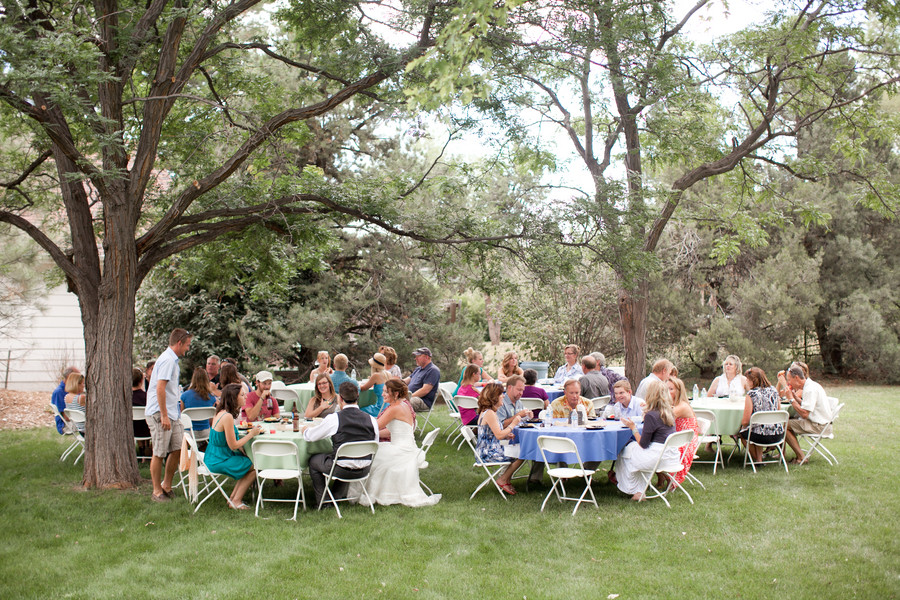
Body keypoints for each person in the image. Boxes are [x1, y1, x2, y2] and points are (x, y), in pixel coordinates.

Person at [349, 379, 441, 507]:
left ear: (396, 394)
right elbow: (386, 427)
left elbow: (374, 426)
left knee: (371, 458)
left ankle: (370, 493)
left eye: (386, 392)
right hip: (409, 447)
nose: (383, 395)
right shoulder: (404, 404)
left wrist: (354, 425)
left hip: (402, 451)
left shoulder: (394, 408)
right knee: (376, 453)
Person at [303, 382, 379, 507]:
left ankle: (324, 501)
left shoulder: (335, 418)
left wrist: (304, 430)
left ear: (340, 399)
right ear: (357, 396)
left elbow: (311, 437)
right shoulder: (371, 420)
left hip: (341, 468)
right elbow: (375, 444)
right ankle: (335, 497)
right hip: (364, 468)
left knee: (314, 460)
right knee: (342, 457)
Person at [145, 328, 191, 502]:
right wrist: (164, 415)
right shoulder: (167, 360)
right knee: (159, 451)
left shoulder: (172, 360)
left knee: (178, 447)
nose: (188, 348)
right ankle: (156, 491)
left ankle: (167, 485)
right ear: (179, 343)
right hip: (159, 413)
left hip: (172, 413)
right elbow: (160, 387)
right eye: (187, 345)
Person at [613, 380, 680, 501]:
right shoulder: (669, 412)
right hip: (671, 456)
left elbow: (643, 444)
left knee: (625, 450)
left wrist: (633, 428)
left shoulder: (651, 415)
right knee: (631, 450)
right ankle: (639, 490)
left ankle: (634, 489)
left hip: (656, 457)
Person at [205, 383, 261, 510]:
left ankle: (233, 498)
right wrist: (251, 434)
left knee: (248, 462)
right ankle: (236, 500)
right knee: (255, 466)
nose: (246, 397)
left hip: (214, 455)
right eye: (242, 395)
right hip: (219, 459)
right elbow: (233, 445)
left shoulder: (220, 412)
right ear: (233, 398)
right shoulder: (227, 417)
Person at [780, 364, 836, 464]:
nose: (788, 382)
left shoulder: (809, 389)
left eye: (789, 379)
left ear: (796, 378)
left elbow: (805, 414)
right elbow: (809, 406)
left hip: (819, 426)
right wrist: (796, 398)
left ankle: (801, 457)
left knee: (783, 425)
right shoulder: (811, 385)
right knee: (788, 423)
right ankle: (798, 455)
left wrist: (791, 399)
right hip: (822, 423)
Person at [475, 382, 524, 495]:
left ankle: (505, 479)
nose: (503, 396)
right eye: (501, 394)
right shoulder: (490, 413)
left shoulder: (488, 412)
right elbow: (499, 435)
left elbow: (492, 433)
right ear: (494, 397)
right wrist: (514, 423)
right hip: (488, 453)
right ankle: (503, 479)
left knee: (521, 450)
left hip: (487, 450)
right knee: (523, 453)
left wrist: (507, 434)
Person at [739, 367, 784, 464]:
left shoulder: (751, 394)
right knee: (758, 427)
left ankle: (758, 459)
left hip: (759, 436)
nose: (746, 382)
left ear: (753, 381)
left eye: (747, 379)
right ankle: (759, 459)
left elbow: (745, 421)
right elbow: (778, 411)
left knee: (743, 432)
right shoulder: (774, 391)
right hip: (778, 435)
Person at [668, 377, 700, 486]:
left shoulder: (681, 406)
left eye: (671, 389)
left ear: (678, 391)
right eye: (666, 389)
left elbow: (665, 419)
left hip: (685, 443)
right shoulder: (673, 404)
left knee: (657, 449)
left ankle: (667, 479)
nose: (667, 392)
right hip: (677, 439)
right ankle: (663, 479)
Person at [180, 367, 217, 434]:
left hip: (189, 433)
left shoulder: (184, 396)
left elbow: (182, 417)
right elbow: (211, 421)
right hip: (206, 432)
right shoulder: (212, 398)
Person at [405, 347, 441, 413]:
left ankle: (406, 422)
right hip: (409, 396)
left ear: (426, 357)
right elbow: (405, 381)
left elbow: (425, 390)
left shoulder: (433, 370)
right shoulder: (418, 369)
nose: (415, 358)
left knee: (403, 404)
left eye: (418, 356)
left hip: (422, 400)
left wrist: (408, 397)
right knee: (391, 400)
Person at [360, 352, 391, 418]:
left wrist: (356, 384)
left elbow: (363, 388)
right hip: (389, 408)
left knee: (360, 410)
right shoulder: (388, 374)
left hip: (380, 409)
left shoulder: (376, 375)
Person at [52, 366, 80, 434]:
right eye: (77, 377)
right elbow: (66, 417)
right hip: (66, 425)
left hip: (76, 419)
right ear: (69, 377)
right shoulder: (59, 392)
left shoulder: (73, 388)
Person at [132, 367, 151, 457]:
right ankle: (146, 448)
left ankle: (141, 449)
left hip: (131, 430)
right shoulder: (147, 397)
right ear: (141, 381)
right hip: (147, 430)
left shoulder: (126, 398)